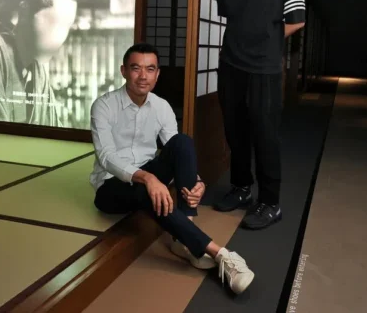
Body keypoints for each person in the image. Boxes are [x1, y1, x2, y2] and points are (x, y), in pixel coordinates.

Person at [89, 43, 255, 295]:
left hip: (148, 174)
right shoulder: (103, 105)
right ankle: (220, 253)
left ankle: (183, 236)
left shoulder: (162, 107)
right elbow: (106, 156)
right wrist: (147, 178)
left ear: (157, 74)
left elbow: (177, 153)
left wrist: (198, 182)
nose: (143, 76)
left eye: (150, 69)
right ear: (123, 71)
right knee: (145, 190)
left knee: (182, 142)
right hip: (111, 186)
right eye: (135, 68)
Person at [213, 0, 306, 230]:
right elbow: (232, 16)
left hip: (264, 67)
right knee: (235, 130)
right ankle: (241, 187)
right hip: (230, 64)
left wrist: (267, 40)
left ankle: (270, 202)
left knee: (265, 135)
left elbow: (297, 20)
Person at [0, 0, 82, 127]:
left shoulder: (38, 72)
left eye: (67, 27)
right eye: (55, 24)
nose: (61, 37)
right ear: (25, 11)